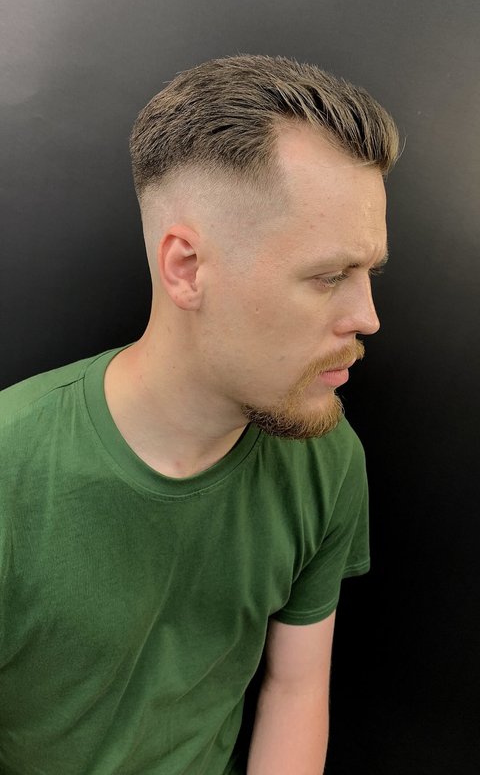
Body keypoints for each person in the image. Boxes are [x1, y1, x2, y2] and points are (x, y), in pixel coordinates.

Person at [0, 54, 399, 774]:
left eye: (368, 273)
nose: (367, 317)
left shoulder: (325, 455)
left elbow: (295, 689)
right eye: (328, 275)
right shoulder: (11, 466)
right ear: (185, 268)